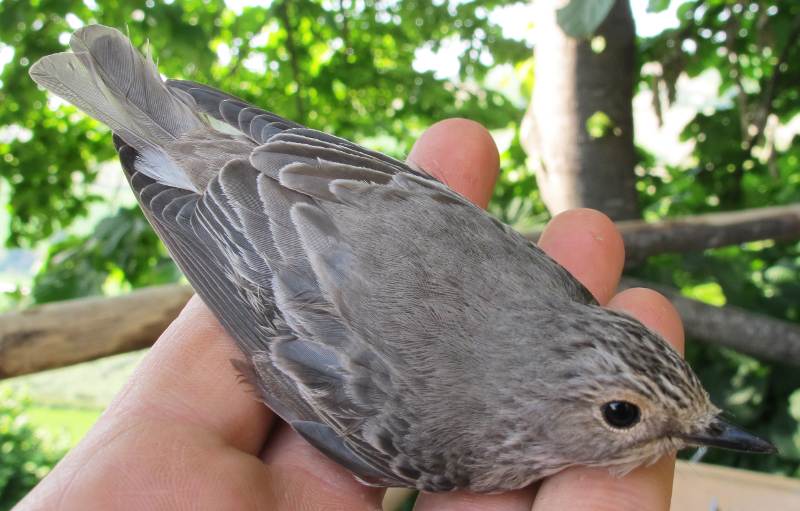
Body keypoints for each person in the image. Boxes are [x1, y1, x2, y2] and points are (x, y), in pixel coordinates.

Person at [16, 118, 683, 511]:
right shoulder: (450, 446)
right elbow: (277, 335)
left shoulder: (559, 288)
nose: (641, 428)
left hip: (295, 193)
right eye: (621, 413)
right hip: (256, 241)